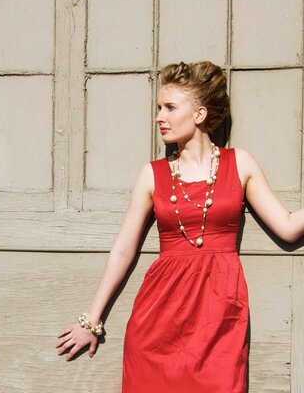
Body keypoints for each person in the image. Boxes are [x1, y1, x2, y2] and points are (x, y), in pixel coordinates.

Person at [55, 61, 304, 392]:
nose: (159, 116)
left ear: (199, 114)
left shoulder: (239, 163)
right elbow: (124, 249)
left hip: (220, 317)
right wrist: (92, 319)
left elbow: (287, 227)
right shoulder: (152, 174)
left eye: (170, 107)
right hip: (160, 317)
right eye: (159, 107)